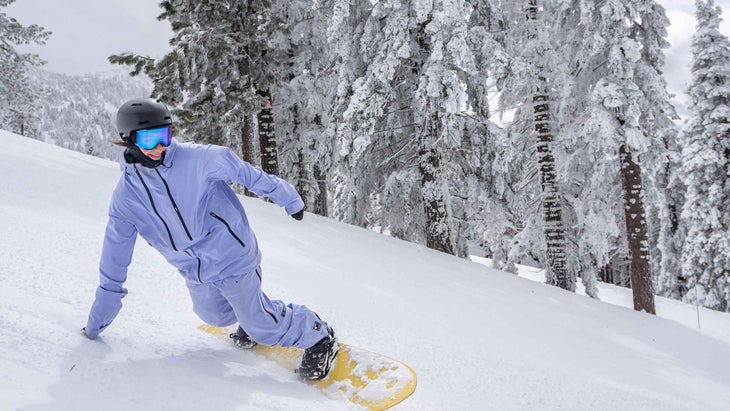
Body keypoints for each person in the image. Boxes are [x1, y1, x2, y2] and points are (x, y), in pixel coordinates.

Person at [82, 98, 338, 380]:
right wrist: (97, 321)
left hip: (231, 252)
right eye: (149, 139)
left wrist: (288, 198)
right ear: (128, 140)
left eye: (165, 136)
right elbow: (114, 257)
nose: (159, 148)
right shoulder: (127, 198)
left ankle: (316, 334)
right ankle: (252, 316)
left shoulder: (199, 159)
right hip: (194, 269)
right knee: (214, 316)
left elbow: (247, 174)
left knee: (259, 323)